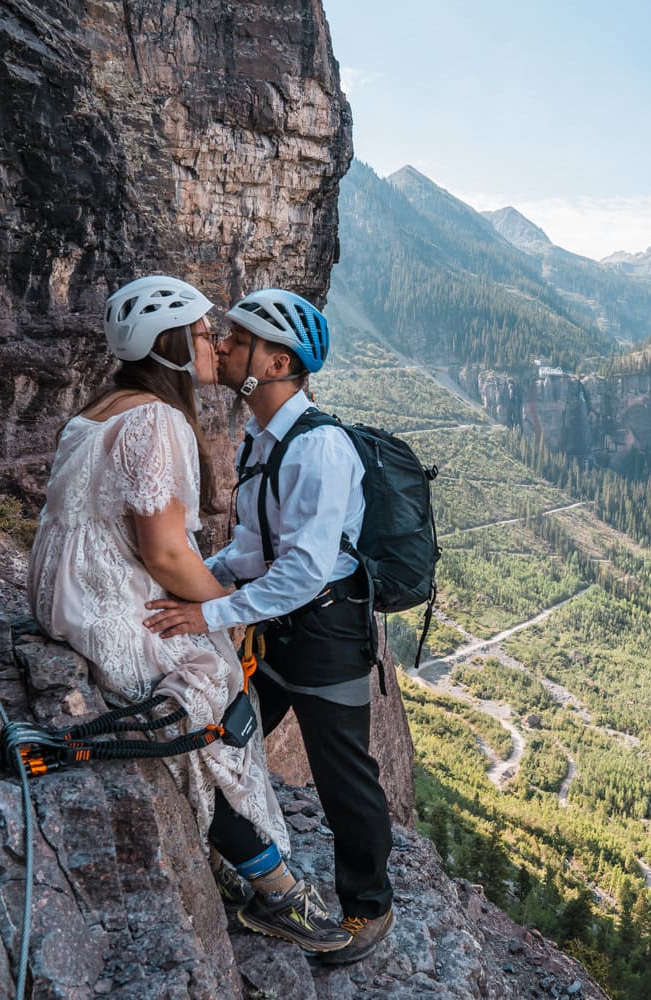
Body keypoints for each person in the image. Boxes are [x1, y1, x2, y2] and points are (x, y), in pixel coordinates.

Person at [27, 275, 351, 954]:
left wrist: (217, 603)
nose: (218, 342)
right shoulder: (157, 419)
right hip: (103, 593)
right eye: (205, 333)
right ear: (170, 344)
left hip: (67, 583)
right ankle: (275, 891)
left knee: (211, 685)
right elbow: (168, 554)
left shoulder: (107, 405)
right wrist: (221, 617)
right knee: (209, 707)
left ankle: (241, 859)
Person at [143, 288, 396, 965]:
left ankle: (368, 909)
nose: (220, 345)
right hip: (284, 627)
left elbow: (307, 569)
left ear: (275, 361)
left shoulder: (320, 449)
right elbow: (257, 550)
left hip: (325, 633)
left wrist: (210, 610)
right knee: (232, 733)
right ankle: (244, 854)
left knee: (344, 775)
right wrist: (201, 574)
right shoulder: (263, 435)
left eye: (236, 337)